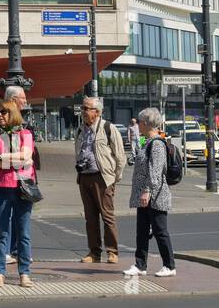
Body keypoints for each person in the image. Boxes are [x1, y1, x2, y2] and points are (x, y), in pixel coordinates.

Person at [0, 85, 40, 265]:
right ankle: (4, 261)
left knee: (23, 229)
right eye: (22, 98)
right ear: (13, 101)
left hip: (24, 181)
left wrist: (6, 158)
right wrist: (18, 159)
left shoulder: (25, 129)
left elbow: (27, 156)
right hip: (2, 183)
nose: (25, 101)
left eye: (3, 112)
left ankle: (21, 261)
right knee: (2, 229)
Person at [123, 107, 176, 277]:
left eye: (139, 122)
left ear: (146, 124)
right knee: (142, 232)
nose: (137, 125)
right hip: (145, 196)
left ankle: (169, 266)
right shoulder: (146, 142)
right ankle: (140, 265)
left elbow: (155, 171)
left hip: (156, 196)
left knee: (160, 231)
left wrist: (147, 191)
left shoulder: (157, 144)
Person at [74, 97, 125, 263]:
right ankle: (94, 253)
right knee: (90, 218)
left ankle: (112, 252)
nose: (83, 111)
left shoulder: (108, 128)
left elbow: (120, 156)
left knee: (107, 216)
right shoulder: (80, 130)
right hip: (84, 177)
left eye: (87, 108)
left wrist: (113, 178)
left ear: (97, 112)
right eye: (83, 108)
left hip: (103, 177)